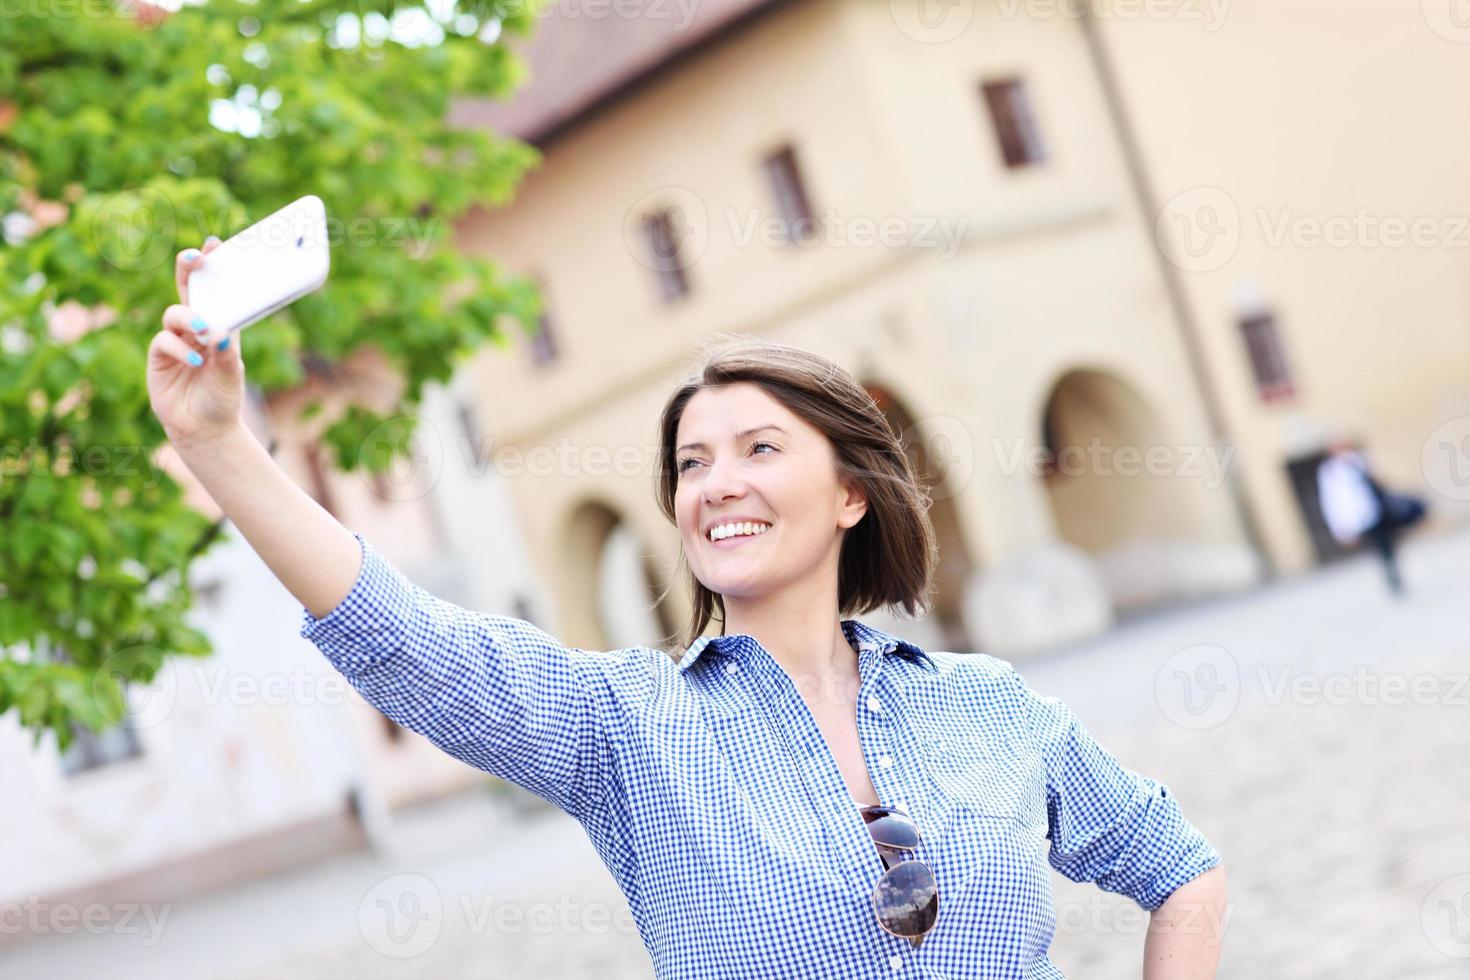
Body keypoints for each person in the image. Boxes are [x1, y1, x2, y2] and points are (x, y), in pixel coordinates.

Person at [147, 239, 1227, 978]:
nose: (716, 483)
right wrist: (219, 447)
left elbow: (1180, 868)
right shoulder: (624, 726)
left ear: (852, 490)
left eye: (760, 449)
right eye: (691, 462)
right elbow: (407, 640)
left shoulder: (990, 706)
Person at [1315, 442, 1409, 596]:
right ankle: (1390, 570)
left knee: (1388, 541)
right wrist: (1340, 528)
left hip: (1377, 508)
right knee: (1380, 545)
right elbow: (1331, 501)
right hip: (1360, 515)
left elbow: (1379, 476)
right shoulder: (1329, 472)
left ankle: (1391, 567)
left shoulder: (1359, 460)